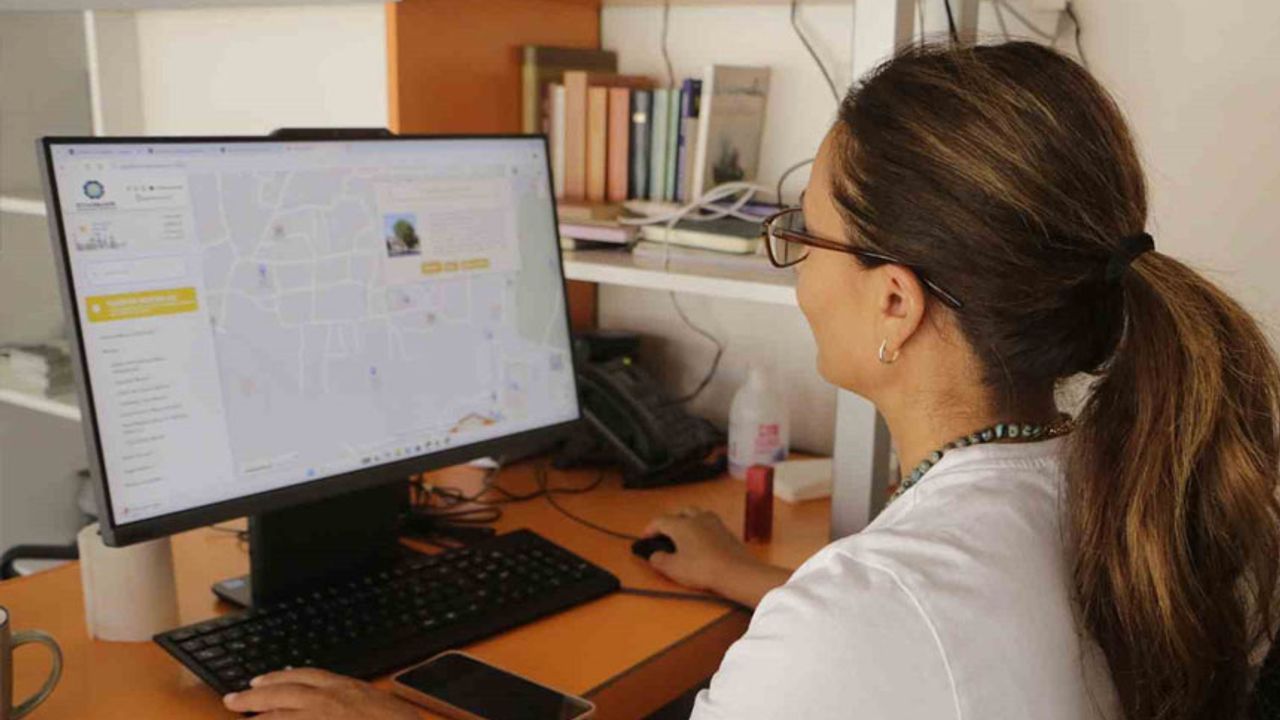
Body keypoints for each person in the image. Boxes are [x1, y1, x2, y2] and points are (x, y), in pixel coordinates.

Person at [224, 41, 1280, 720]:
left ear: (896, 303)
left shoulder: (860, 615)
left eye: (802, 236)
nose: (796, 269)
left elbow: (891, 636)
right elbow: (921, 649)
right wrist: (756, 583)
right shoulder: (1113, 485)